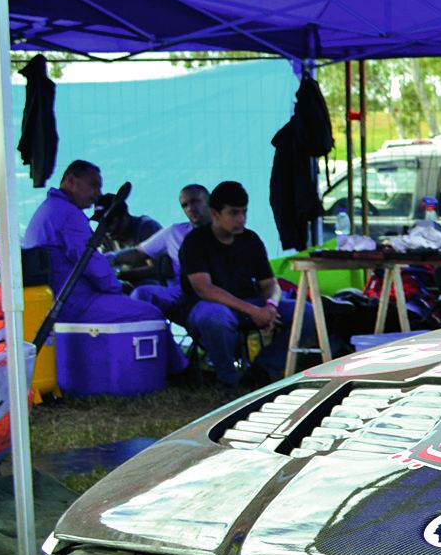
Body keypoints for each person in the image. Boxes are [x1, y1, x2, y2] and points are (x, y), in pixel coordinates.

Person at [180, 181, 305, 386]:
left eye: (244, 212)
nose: (241, 219)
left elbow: (269, 283)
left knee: (305, 313)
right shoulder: (195, 241)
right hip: (207, 306)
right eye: (234, 213)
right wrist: (254, 311)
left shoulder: (251, 240)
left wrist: (270, 306)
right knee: (215, 317)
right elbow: (204, 289)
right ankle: (227, 380)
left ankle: (261, 371)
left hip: (249, 303)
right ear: (215, 213)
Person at [22, 160, 171, 325]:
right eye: (93, 185)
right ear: (71, 180)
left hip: (57, 300)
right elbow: (92, 266)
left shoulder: (50, 208)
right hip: (74, 303)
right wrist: (116, 288)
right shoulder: (69, 215)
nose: (98, 194)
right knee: (151, 314)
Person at [124, 183, 210, 322]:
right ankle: (149, 341)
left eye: (195, 201)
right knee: (141, 294)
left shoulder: (226, 233)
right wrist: (110, 259)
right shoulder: (174, 232)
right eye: (185, 205)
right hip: (179, 293)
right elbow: (138, 253)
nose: (190, 208)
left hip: (215, 291)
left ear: (209, 201)